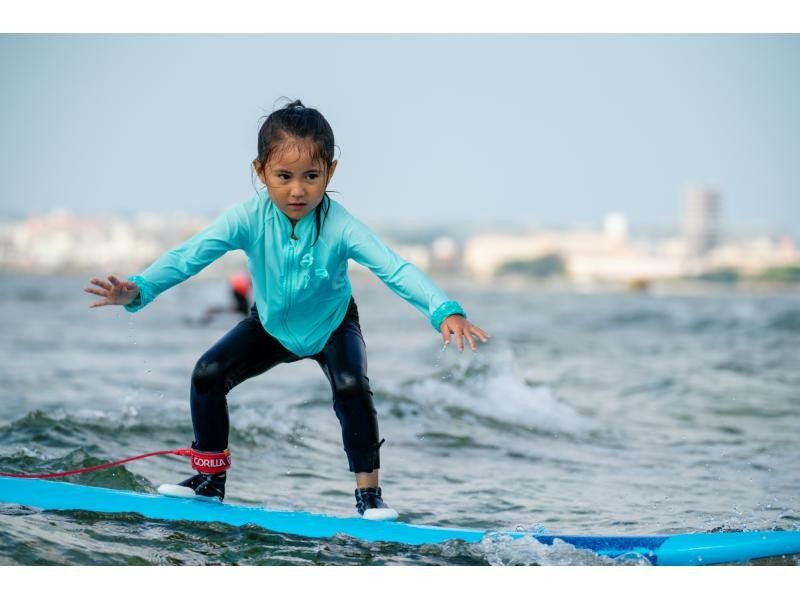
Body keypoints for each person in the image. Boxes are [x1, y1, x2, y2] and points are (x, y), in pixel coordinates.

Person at [84, 100, 490, 520]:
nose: (298, 190)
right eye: (283, 177)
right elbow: (189, 256)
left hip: (332, 325)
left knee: (351, 385)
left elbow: (394, 268)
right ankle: (209, 482)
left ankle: (369, 497)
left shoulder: (341, 225)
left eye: (311, 177)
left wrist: (444, 310)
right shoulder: (246, 218)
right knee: (207, 374)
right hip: (271, 326)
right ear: (260, 172)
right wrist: (140, 288)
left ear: (330, 172)